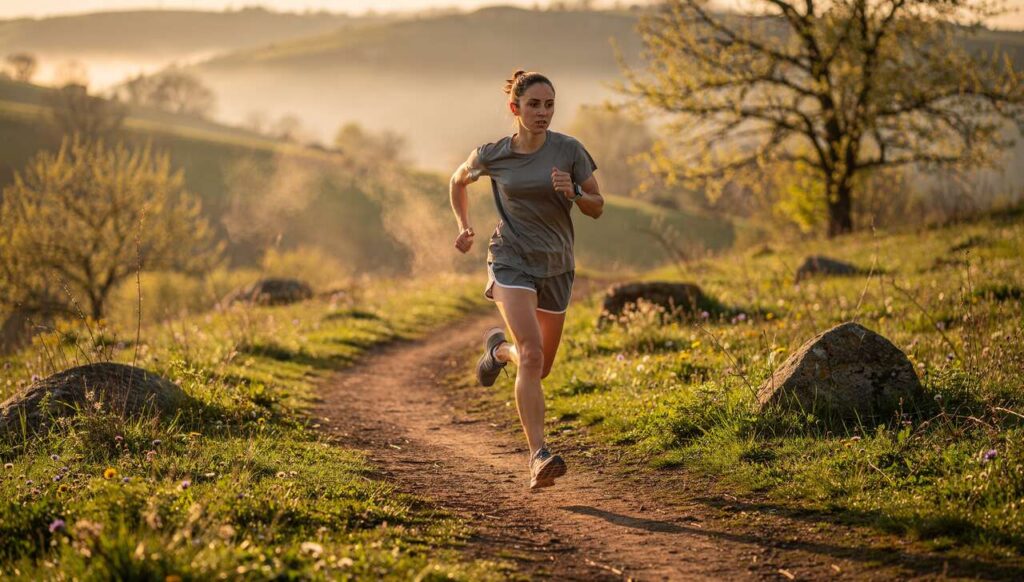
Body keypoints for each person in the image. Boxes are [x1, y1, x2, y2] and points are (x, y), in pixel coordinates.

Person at [448, 70, 604, 489]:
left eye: (549, 104)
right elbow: (456, 180)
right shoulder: (493, 154)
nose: (543, 112)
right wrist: (464, 225)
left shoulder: (569, 150)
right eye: (534, 105)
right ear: (514, 109)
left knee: (540, 366)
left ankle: (498, 351)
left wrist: (573, 192)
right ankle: (538, 455)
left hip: (557, 264)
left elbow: (597, 206)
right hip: (510, 259)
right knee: (532, 356)